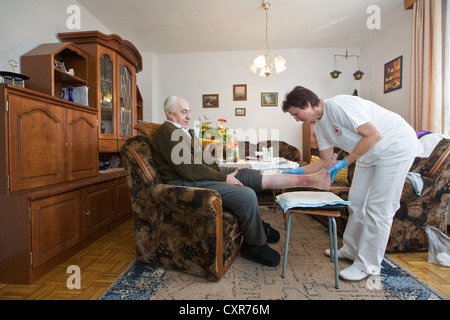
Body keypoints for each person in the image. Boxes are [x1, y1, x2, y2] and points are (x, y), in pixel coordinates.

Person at [151, 95, 334, 268]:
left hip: (198, 175)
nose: (189, 116)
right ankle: (254, 245)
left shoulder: (182, 131)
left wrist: (218, 164)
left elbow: (200, 161)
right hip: (185, 182)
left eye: (188, 111)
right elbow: (189, 170)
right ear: (169, 112)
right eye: (184, 112)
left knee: (249, 175)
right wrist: (224, 178)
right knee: (246, 194)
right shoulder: (168, 132)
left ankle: (307, 182)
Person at [282, 86, 422, 281]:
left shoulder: (339, 105)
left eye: (296, 114)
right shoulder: (321, 126)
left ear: (307, 104)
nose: (297, 119)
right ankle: (351, 249)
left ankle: (368, 265)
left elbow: (374, 134)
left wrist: (345, 162)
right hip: (368, 155)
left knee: (379, 208)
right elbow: (324, 160)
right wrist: (296, 171)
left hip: (394, 147)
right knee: (355, 202)